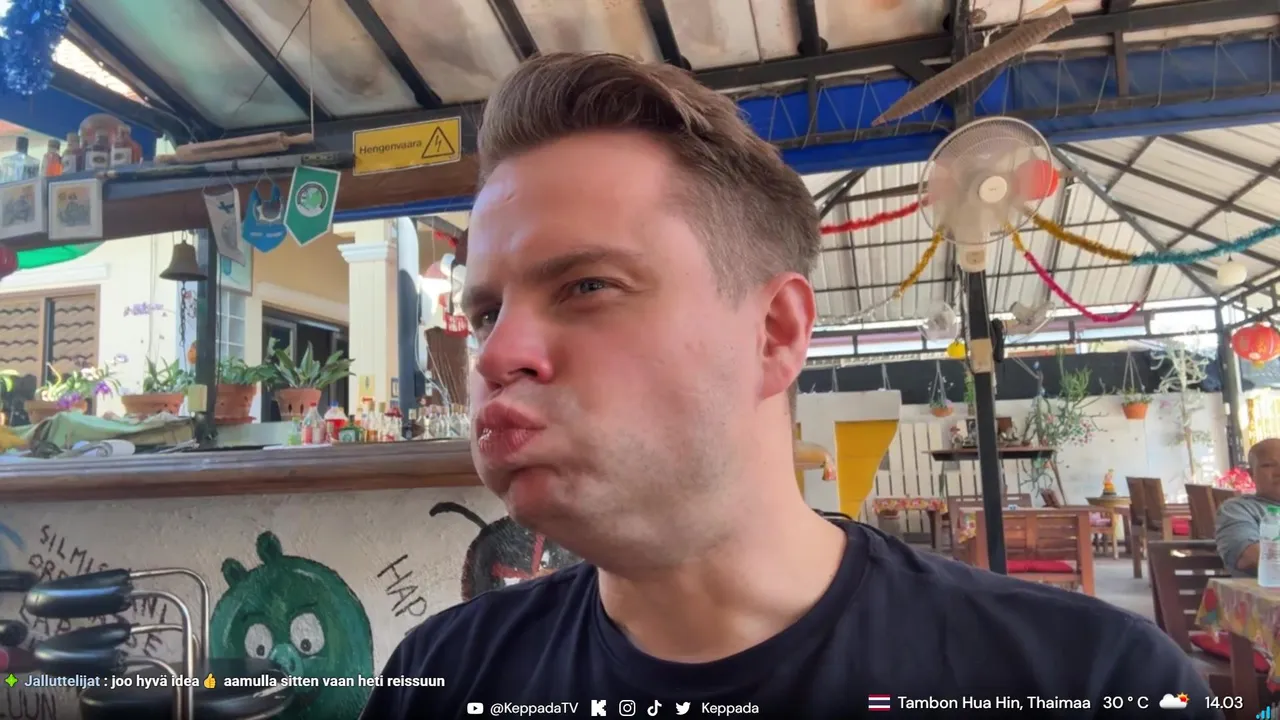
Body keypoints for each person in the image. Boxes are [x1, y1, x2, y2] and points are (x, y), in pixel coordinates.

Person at [362, 52, 1217, 719]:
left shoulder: (1092, 684)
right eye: (486, 313)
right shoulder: (440, 679)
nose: (496, 355)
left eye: (587, 286)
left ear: (774, 333)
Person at [1217, 438, 1280, 576]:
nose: (1278, 472)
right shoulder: (1238, 509)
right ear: (1251, 474)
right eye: (1268, 465)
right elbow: (1248, 557)